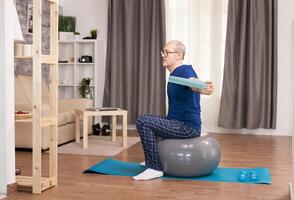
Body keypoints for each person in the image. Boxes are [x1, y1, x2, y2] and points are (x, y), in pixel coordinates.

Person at [133, 40, 214, 181]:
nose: (163, 55)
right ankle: (151, 160)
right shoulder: (174, 74)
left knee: (143, 121)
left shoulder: (184, 70)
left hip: (187, 127)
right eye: (163, 52)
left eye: (167, 52)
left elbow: (193, 83)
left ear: (179, 55)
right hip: (176, 122)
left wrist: (202, 87)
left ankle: (154, 168)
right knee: (149, 119)